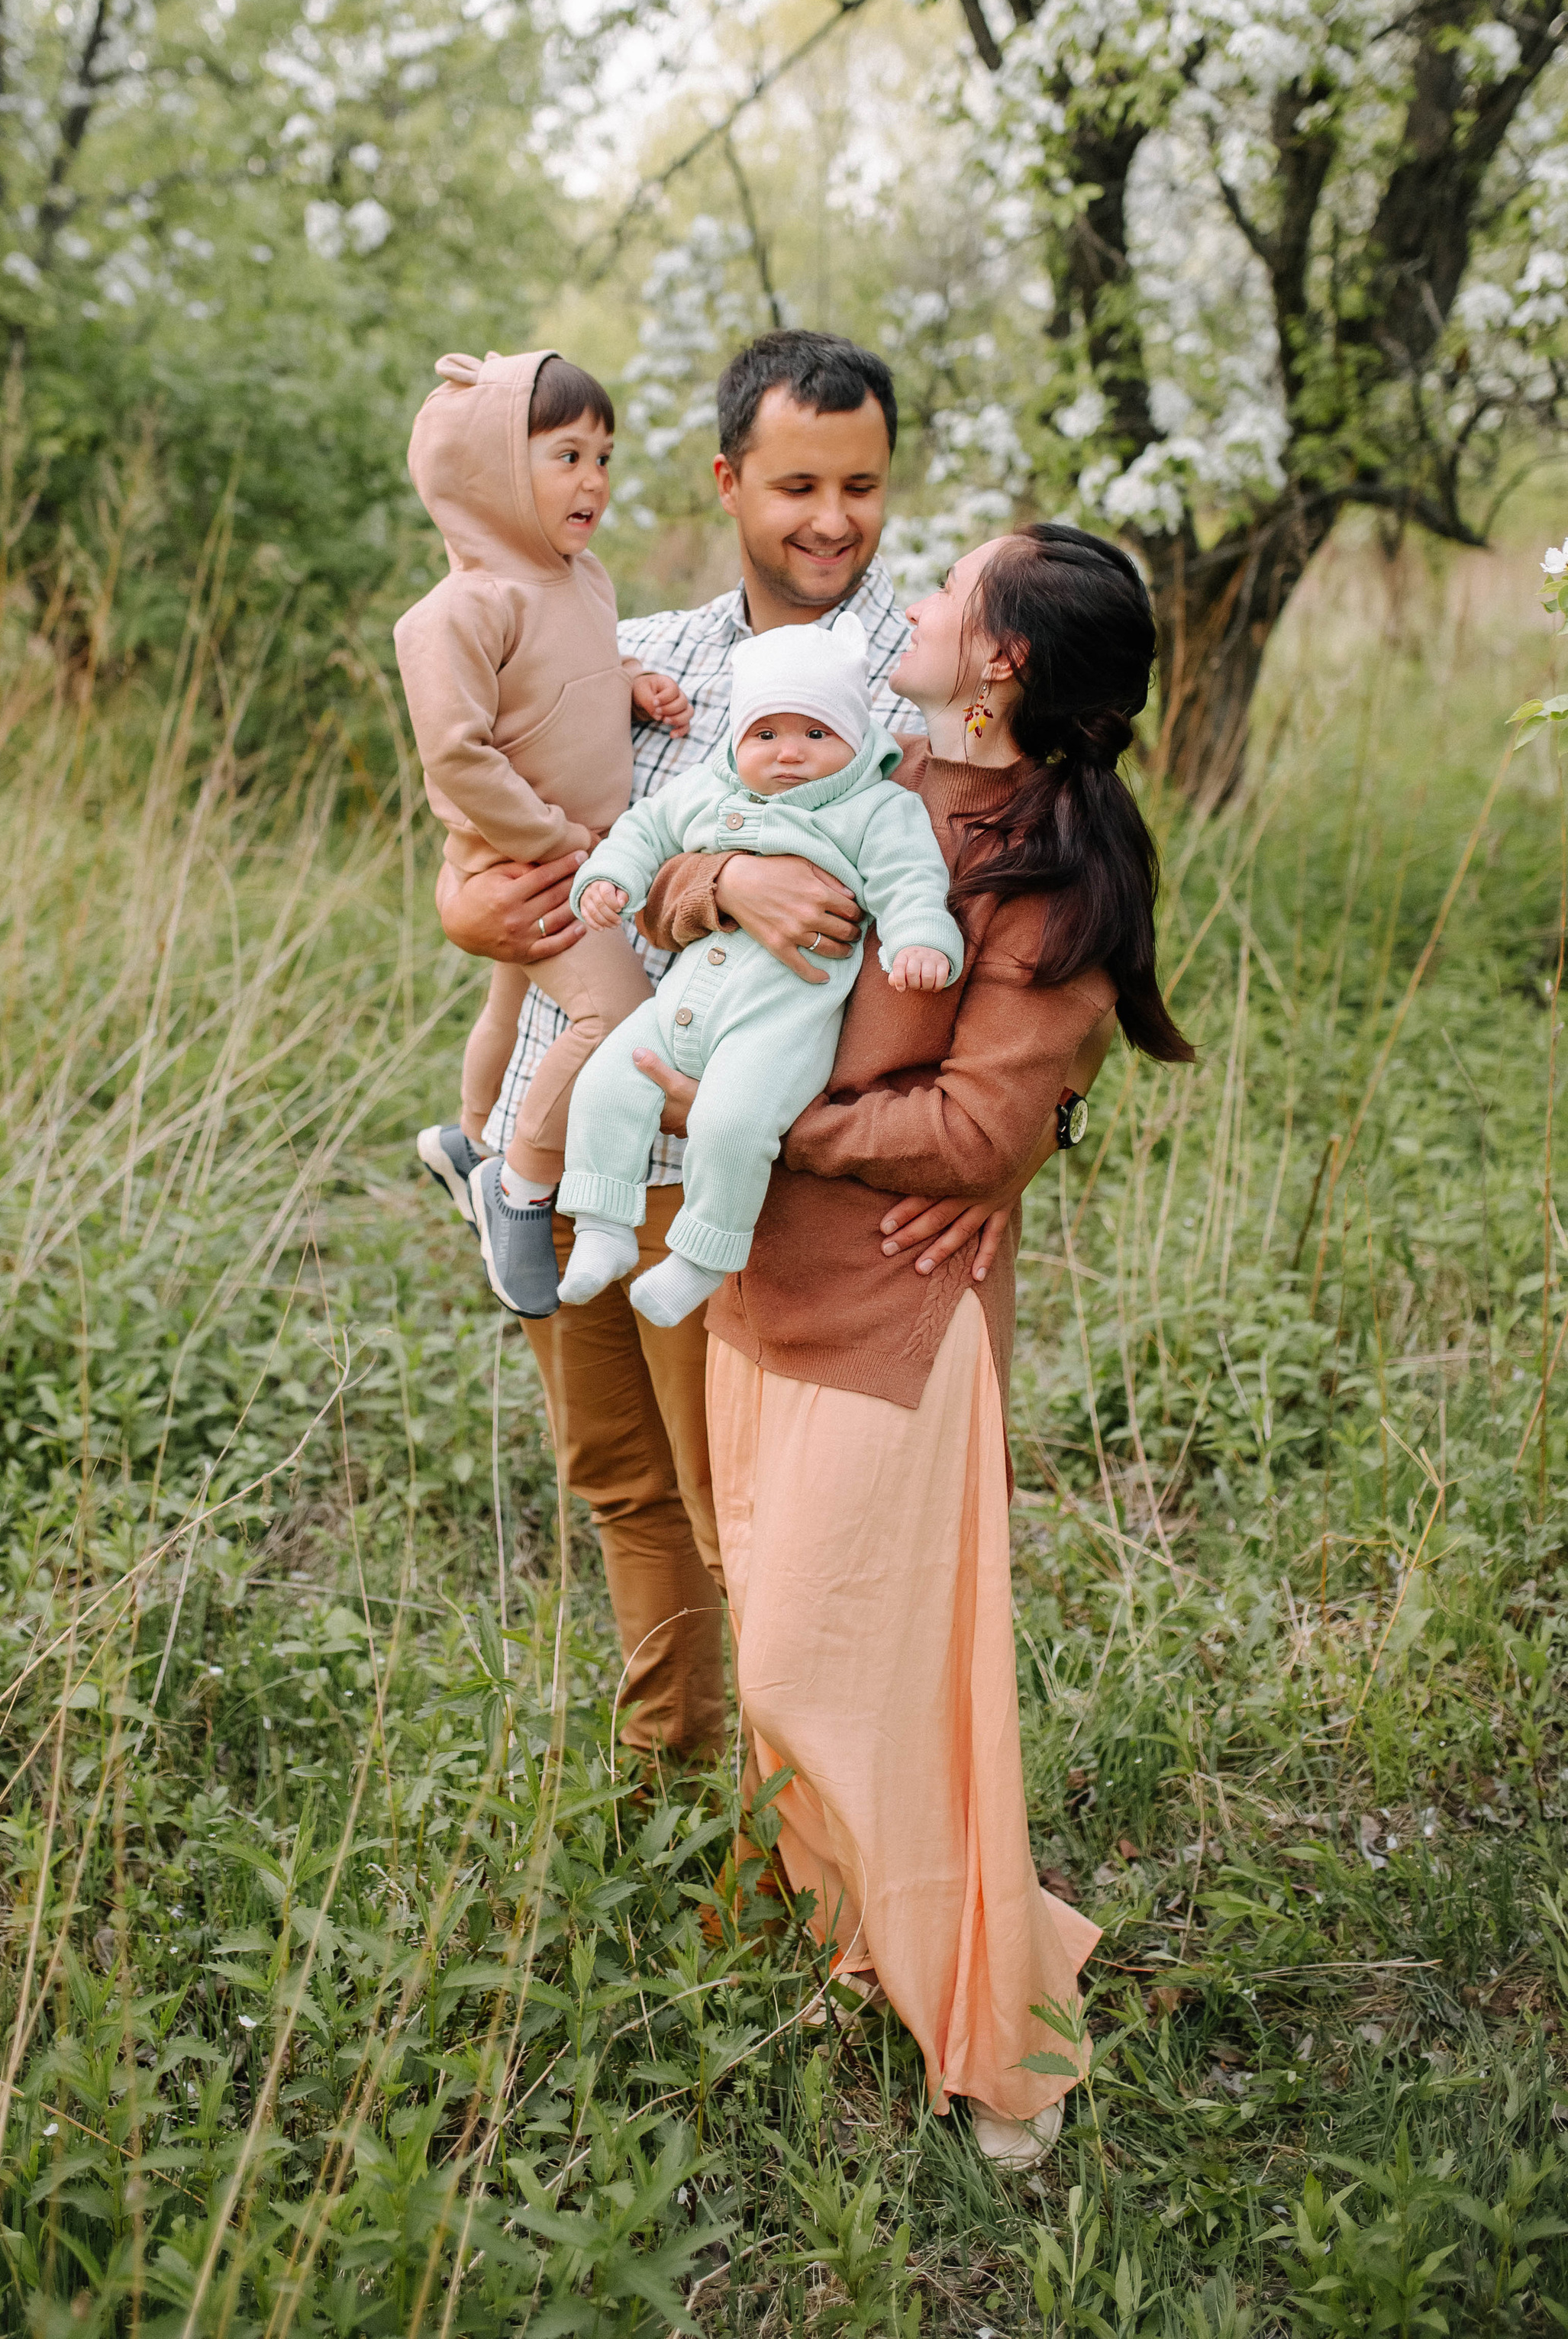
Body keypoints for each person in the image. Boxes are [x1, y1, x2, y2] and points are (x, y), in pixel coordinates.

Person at [635, 522, 1192, 2164]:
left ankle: (997, 2036)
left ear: (1004, 660)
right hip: (753, 1282)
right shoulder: (856, 748)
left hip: (889, 1310)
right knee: (786, 1670)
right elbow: (668, 874)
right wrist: (724, 878)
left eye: (956, 591)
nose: (921, 599)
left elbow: (970, 1126)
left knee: (848, 1674)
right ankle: (857, 1951)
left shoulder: (1050, 868)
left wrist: (760, 1116)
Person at [426, 331, 1018, 1760]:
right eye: (799, 482)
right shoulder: (634, 657)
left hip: (748, 1164)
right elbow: (515, 860)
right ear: (730, 480)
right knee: (620, 1482)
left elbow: (1023, 924)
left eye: (862, 484)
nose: (832, 518)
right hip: (567, 1125)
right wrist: (484, 908)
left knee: (736, 1507)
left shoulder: (933, 686)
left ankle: (783, 1841)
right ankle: (662, 1779)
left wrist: (1021, 1133)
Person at [392, 347, 690, 1316]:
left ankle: (471, 1136)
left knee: (512, 1006)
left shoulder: (582, 577)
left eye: (603, 457)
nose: (593, 481)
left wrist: (634, 678)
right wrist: (558, 840)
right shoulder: (460, 610)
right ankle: (517, 1185)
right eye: (567, 455)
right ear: (490, 472)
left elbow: (580, 671)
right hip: (535, 854)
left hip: (571, 841)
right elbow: (458, 755)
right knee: (611, 1018)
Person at [556, 613, 961, 1326]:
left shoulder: (877, 809)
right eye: (766, 735)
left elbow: (910, 883)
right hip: (678, 1003)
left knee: (732, 1124)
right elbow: (645, 830)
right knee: (603, 1088)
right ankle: (602, 1227)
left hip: (778, 1024)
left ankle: (702, 1257)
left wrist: (921, 940)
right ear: (738, 740)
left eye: (816, 733)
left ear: (857, 737)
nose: (790, 755)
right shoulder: (711, 789)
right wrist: (608, 878)